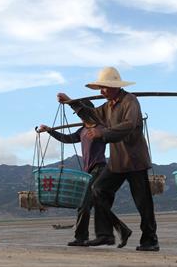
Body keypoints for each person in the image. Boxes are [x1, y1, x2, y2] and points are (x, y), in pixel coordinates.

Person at [57, 66, 159, 252]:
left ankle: (150, 240)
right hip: (118, 161)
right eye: (100, 89)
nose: (102, 92)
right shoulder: (107, 107)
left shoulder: (130, 101)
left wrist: (103, 133)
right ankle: (106, 233)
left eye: (104, 88)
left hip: (135, 160)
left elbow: (129, 125)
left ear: (114, 86)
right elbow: (91, 116)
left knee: (143, 202)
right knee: (98, 189)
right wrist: (71, 102)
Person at [37, 105, 132, 248]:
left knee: (84, 204)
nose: (79, 117)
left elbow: (112, 135)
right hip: (89, 172)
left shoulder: (100, 129)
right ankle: (121, 230)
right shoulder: (82, 130)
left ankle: (81, 238)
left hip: (99, 168)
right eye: (78, 115)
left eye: (81, 114)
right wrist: (50, 131)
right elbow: (67, 138)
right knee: (95, 204)